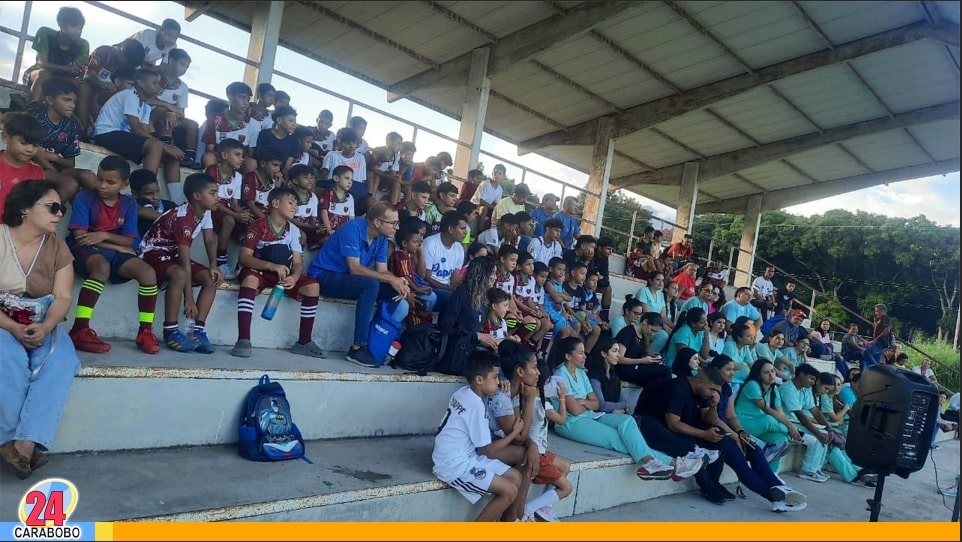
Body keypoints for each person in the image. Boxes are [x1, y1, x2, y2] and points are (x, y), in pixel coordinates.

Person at [0, 180, 82, 479]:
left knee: (60, 362)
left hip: (43, 320)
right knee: (7, 358)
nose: (59, 214)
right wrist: (11, 326)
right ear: (24, 208)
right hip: (1, 321)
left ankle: (22, 445)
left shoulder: (58, 248)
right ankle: (9, 440)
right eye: (52, 207)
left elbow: (62, 297)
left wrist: (46, 326)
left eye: (62, 208)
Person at [547, 337, 692, 481]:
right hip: (570, 423)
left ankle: (660, 463)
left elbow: (596, 403)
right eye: (580, 353)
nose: (585, 356)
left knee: (627, 421)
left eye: (584, 352)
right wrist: (587, 403)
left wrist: (583, 402)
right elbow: (574, 410)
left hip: (590, 414)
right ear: (568, 356)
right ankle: (670, 463)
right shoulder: (560, 376)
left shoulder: (581, 373)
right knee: (617, 438)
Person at [66, 155, 160, 354]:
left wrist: (103, 236)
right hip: (84, 248)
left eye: (110, 182)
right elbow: (81, 236)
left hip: (108, 248)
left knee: (148, 273)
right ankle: (80, 329)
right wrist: (117, 246)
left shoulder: (129, 204)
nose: (102, 185)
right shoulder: (84, 198)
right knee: (101, 267)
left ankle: (145, 332)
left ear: (124, 184)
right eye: (99, 178)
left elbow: (129, 240)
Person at [307, 202, 410, 367]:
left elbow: (382, 271)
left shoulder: (383, 238)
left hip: (349, 279)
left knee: (393, 292)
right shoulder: (352, 229)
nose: (397, 228)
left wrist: (398, 280)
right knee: (370, 285)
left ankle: (376, 342)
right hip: (325, 276)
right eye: (393, 223)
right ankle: (357, 347)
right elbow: (354, 268)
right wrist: (390, 279)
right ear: (377, 222)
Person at [231, 187, 325, 359]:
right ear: (275, 203)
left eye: (296, 204)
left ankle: (304, 342)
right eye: (290, 203)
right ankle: (243, 339)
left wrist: (295, 277)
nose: (295, 207)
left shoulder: (294, 230)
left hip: (282, 274)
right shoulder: (258, 225)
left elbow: (297, 263)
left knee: (312, 287)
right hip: (259, 270)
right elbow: (244, 257)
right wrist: (270, 266)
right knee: (250, 280)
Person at [431, 351, 524, 522]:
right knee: (510, 491)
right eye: (495, 377)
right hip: (453, 465)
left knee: (516, 477)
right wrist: (514, 433)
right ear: (479, 380)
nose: (499, 382)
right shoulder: (475, 405)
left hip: (466, 455)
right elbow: (487, 451)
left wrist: (496, 382)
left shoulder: (464, 392)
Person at [137, 173, 223, 353]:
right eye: (213, 193)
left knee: (210, 277)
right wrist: (189, 298)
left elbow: (209, 240)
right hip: (154, 251)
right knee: (179, 274)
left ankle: (197, 331)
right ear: (197, 196)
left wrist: (214, 265)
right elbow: (184, 260)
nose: (218, 197)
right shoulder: (184, 217)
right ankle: (170, 331)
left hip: (172, 253)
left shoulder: (205, 212)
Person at [497, 341, 573, 522]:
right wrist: (531, 401)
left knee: (539, 459)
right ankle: (519, 516)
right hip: (503, 448)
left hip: (523, 448)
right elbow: (521, 437)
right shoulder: (508, 396)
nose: (538, 373)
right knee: (527, 457)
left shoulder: (524, 394)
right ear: (520, 372)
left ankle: (525, 513)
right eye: (534, 368)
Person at [92, 68, 185, 201]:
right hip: (106, 133)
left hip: (123, 137)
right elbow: (136, 129)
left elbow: (144, 131)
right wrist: (163, 146)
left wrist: (165, 149)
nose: (159, 87)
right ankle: (145, 194)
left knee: (172, 157)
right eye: (154, 83)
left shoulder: (145, 105)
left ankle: (177, 202)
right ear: (140, 83)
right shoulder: (130, 94)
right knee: (155, 146)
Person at [778, 364, 877, 487]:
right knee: (820, 438)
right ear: (801, 375)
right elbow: (800, 415)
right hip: (788, 422)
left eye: (814, 380)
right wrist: (819, 432)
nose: (812, 382)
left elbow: (815, 411)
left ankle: (819, 469)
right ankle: (808, 470)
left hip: (798, 422)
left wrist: (828, 428)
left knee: (828, 435)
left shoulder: (805, 389)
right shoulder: (788, 388)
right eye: (811, 379)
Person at [26, 77, 96, 201]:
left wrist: (55, 158)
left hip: (55, 169)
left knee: (89, 177)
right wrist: (53, 169)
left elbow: (71, 162)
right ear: (50, 100)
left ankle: (88, 214)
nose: (72, 105)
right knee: (70, 184)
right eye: (67, 100)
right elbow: (35, 153)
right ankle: (49, 214)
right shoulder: (35, 118)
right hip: (32, 165)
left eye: (74, 101)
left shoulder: (72, 127)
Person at [203, 138, 251, 278]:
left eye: (242, 156)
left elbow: (234, 203)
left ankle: (243, 265)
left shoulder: (238, 177)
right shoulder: (212, 171)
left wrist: (242, 214)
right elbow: (212, 201)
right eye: (237, 155)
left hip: (224, 210)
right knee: (230, 220)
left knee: (251, 222)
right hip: (209, 207)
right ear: (224, 155)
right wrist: (235, 215)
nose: (241, 159)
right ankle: (221, 260)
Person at [146, 48, 201, 169]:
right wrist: (168, 109)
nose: (184, 69)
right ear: (171, 61)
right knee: (163, 111)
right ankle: (166, 147)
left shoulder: (183, 87)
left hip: (171, 117)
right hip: (149, 115)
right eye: (182, 64)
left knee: (193, 124)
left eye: (186, 67)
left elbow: (181, 112)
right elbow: (145, 98)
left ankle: (189, 157)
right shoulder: (155, 78)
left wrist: (175, 113)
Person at [77, 38, 146, 133]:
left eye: (131, 64)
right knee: (85, 88)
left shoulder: (131, 67)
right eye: (127, 61)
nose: (127, 65)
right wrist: (101, 84)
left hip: (114, 97)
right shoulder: (103, 52)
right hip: (93, 88)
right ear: (120, 50)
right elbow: (87, 75)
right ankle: (82, 129)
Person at [22, 7, 89, 102]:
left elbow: (76, 72)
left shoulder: (83, 45)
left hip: (63, 79)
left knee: (82, 86)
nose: (78, 32)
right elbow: (41, 63)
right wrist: (65, 68)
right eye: (74, 26)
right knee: (44, 74)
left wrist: (77, 70)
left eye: (80, 28)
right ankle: (32, 111)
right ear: (62, 25)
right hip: (36, 74)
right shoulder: (45, 33)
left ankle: (74, 117)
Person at [0, 113, 48, 221]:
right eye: (24, 143)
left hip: (19, 231)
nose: (30, 149)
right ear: (6, 137)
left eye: (35, 145)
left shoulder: (37, 172)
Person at [201, 82, 255, 171]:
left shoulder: (253, 124)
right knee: (208, 157)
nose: (246, 103)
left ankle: (245, 185)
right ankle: (213, 182)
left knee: (251, 162)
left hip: (239, 162)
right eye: (242, 97)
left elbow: (250, 153)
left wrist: (235, 160)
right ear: (230, 97)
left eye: (248, 99)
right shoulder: (214, 119)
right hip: (219, 160)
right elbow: (210, 149)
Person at [390, 224, 436, 327]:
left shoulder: (406, 256)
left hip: (408, 289)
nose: (418, 245)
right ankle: (416, 330)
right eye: (415, 242)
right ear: (405, 243)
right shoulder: (401, 255)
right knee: (417, 309)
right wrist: (417, 288)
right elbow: (404, 276)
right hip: (403, 290)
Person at [422, 211, 467, 314]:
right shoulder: (430, 244)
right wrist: (449, 289)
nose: (465, 232)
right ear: (450, 229)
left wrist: (454, 288)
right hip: (429, 289)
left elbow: (455, 279)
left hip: (446, 289)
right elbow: (427, 277)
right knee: (452, 299)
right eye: (462, 228)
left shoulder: (459, 248)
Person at [613, 312, 673, 387]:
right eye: (652, 330)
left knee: (660, 374)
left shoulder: (643, 336)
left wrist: (653, 359)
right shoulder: (627, 333)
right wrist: (642, 361)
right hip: (625, 370)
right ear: (645, 322)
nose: (652, 334)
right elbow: (618, 359)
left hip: (636, 366)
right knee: (665, 371)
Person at [319, 127, 369, 210]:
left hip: (354, 189)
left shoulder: (361, 158)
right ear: (340, 144)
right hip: (334, 187)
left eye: (354, 143)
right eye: (348, 143)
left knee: (362, 191)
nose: (352, 146)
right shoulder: (332, 155)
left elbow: (362, 180)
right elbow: (323, 175)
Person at [129, 169, 175, 237]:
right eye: (149, 194)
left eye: (157, 191)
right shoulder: (127, 203)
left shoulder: (170, 206)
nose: (156, 197)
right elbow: (140, 211)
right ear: (135, 193)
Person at [319, 165, 356, 236]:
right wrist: (328, 229)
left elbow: (351, 217)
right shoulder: (328, 193)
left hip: (343, 232)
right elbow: (324, 211)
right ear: (336, 178)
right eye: (347, 178)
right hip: (328, 231)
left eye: (351, 180)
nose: (350, 182)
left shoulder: (350, 197)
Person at [470, 164, 505, 231]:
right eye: (495, 172)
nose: (497, 175)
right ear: (492, 173)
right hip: (475, 205)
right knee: (484, 209)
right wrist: (493, 208)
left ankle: (493, 235)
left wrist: (496, 209)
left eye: (500, 173)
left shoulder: (500, 189)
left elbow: (495, 203)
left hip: (488, 207)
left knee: (501, 214)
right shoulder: (485, 184)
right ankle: (480, 232)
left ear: (503, 177)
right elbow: (481, 201)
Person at [861, 304, 894, 370]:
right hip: (879, 342)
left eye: (877, 311)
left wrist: (876, 339)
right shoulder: (879, 319)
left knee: (866, 352)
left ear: (882, 311)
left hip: (881, 342)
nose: (875, 313)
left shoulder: (886, 317)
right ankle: (873, 373)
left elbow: (887, 330)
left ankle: (877, 370)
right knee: (876, 359)